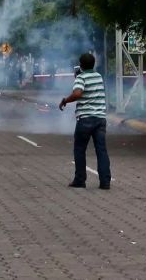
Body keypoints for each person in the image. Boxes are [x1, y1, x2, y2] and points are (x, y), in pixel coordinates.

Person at [60, 53, 111, 190]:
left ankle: (80, 180)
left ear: (81, 65)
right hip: (100, 118)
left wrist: (65, 100)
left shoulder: (81, 77)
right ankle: (105, 181)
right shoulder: (98, 76)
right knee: (101, 150)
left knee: (80, 149)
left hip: (86, 119)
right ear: (93, 64)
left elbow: (77, 93)